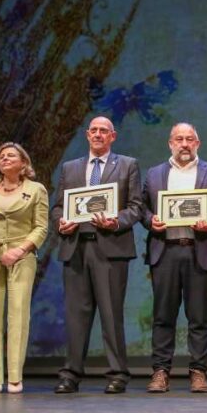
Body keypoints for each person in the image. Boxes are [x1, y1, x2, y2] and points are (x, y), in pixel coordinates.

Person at [52, 116, 143, 394]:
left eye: (104, 131)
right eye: (94, 130)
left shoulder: (127, 165)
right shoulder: (70, 168)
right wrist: (61, 222)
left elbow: (136, 207)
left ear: (113, 136)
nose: (98, 135)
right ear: (87, 134)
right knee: (76, 316)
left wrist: (115, 221)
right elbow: (58, 207)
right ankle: (70, 375)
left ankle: (117, 374)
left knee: (111, 315)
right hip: (77, 248)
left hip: (110, 249)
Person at [140, 123, 207, 393]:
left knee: (198, 317)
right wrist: (148, 220)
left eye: (190, 139)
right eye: (179, 139)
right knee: (163, 316)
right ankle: (160, 372)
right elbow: (141, 207)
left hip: (198, 250)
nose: (185, 143)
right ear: (170, 143)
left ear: (198, 143)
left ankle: (198, 372)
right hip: (164, 250)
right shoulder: (154, 174)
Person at [0, 142, 48, 394]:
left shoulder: (36, 190)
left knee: (17, 315)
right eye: (2, 156)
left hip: (22, 255)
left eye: (11, 155)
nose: (5, 159)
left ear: (23, 163)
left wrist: (20, 250)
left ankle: (15, 376)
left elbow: (41, 227)